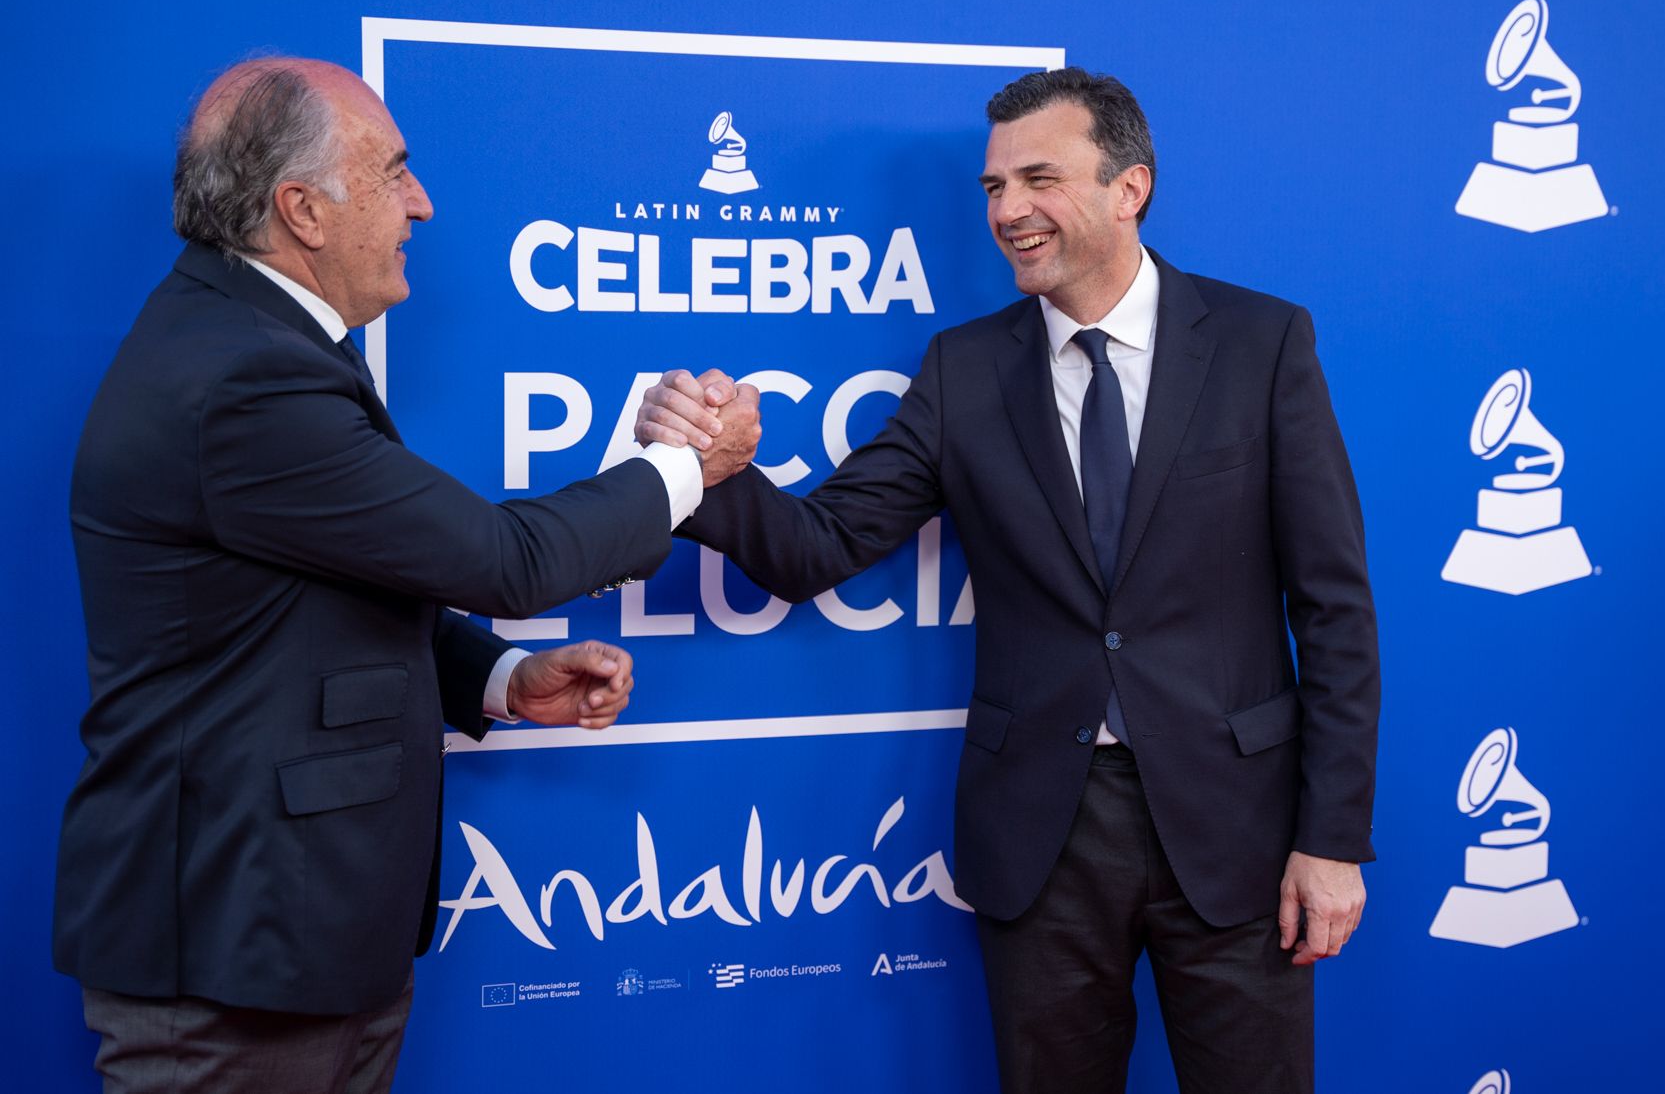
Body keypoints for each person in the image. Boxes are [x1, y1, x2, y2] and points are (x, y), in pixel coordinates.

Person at [636, 67, 1378, 1094]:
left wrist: (1331, 839)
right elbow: (820, 546)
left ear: (1131, 188)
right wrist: (712, 472)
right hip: (1043, 833)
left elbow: (1334, 606)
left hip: (1239, 829)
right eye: (992, 188)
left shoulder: (1262, 343)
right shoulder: (965, 371)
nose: (1009, 211)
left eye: (1039, 179)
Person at [54, 57, 759, 1093]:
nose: (423, 202)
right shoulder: (243, 375)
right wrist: (686, 466)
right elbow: (505, 557)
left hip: (304, 934)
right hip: (233, 953)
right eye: (394, 173)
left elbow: (312, 591)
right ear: (301, 209)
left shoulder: (251, 343)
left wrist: (498, 678)